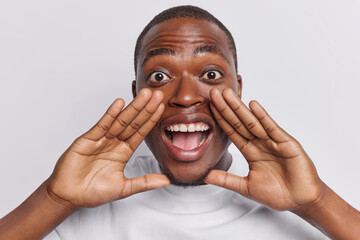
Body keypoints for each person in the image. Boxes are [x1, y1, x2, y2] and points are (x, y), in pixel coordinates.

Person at [0, 5, 359, 240]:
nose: (186, 96)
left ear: (237, 88)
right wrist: (52, 199)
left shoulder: (302, 209)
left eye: (211, 73)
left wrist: (318, 203)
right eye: (158, 76)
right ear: (135, 92)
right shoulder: (82, 208)